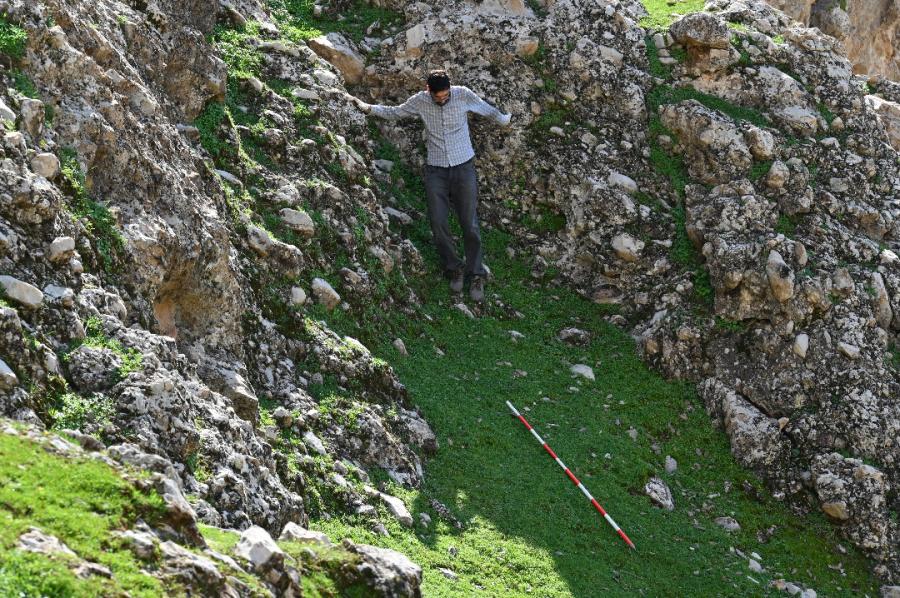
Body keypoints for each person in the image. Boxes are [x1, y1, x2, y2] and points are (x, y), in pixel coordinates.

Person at [347, 69, 512, 302]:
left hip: (463, 165)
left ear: (450, 88)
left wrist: (504, 119)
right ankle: (453, 267)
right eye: (438, 97)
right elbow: (396, 113)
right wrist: (367, 108)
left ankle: (476, 274)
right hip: (436, 169)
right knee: (437, 221)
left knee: (469, 223)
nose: (443, 99)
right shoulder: (420, 101)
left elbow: (486, 109)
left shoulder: (462, 95)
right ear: (428, 90)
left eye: (445, 95)